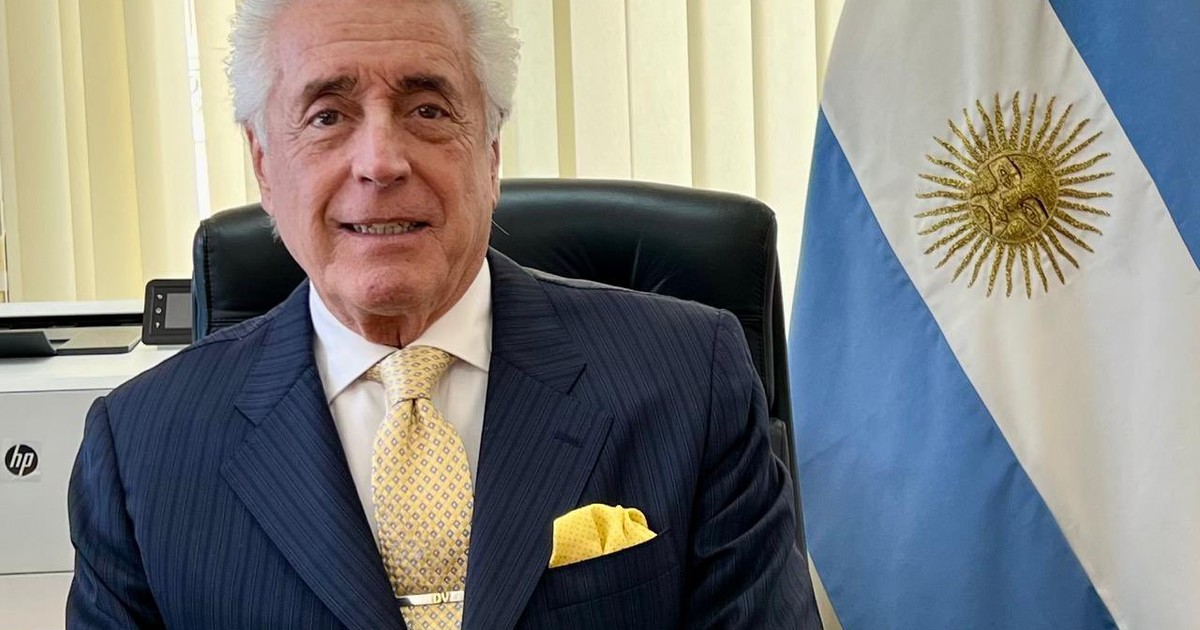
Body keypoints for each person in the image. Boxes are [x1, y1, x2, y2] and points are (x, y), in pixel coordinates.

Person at [66, 0, 822, 627]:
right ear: (264, 163)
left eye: (427, 109)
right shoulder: (140, 449)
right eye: (327, 116)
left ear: (489, 152)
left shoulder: (691, 380)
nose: (380, 161)